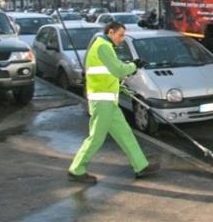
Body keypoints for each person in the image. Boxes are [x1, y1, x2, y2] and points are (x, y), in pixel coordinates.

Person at [68, 21, 159, 184]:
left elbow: (111, 72)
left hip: (108, 100)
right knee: (96, 138)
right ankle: (77, 169)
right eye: (120, 35)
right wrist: (134, 66)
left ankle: (141, 166)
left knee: (125, 134)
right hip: (102, 101)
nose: (122, 39)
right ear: (111, 32)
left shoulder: (103, 46)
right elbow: (117, 69)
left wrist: (122, 81)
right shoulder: (103, 46)